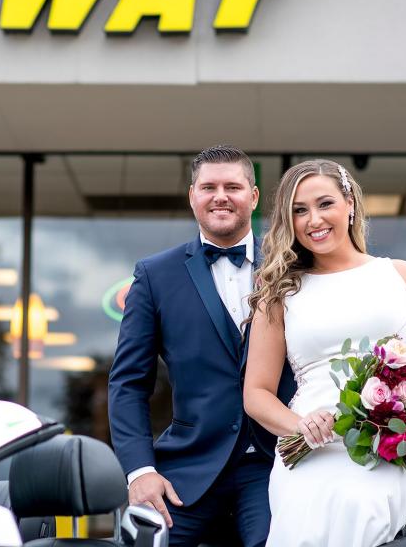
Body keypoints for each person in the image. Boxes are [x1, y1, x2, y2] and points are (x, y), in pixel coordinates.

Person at [243, 159, 406, 547]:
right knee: (302, 520)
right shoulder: (279, 294)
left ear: (350, 202)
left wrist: (397, 408)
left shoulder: (401, 275)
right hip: (311, 449)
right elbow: (255, 394)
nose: (313, 220)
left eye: (325, 204)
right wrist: (299, 425)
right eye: (299, 211)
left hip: (390, 443)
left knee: (357, 505)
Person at [108, 145, 295, 547]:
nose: (220, 196)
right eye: (208, 187)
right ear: (192, 195)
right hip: (187, 470)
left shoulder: (293, 268)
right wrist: (140, 471)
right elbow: (128, 384)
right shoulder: (155, 275)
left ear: (254, 196)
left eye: (233, 186)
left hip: (274, 464)